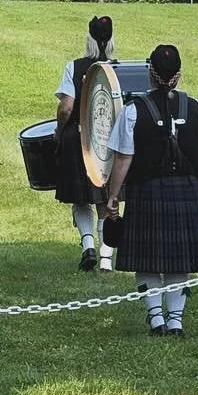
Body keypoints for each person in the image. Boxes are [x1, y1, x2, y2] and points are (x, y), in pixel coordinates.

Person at [103, 44, 198, 337]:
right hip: (188, 190)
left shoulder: (133, 110)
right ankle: (176, 321)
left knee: (146, 258)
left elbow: (123, 158)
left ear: (150, 73)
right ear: (178, 74)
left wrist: (113, 195)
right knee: (179, 258)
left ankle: (156, 319)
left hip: (146, 191)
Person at [55, 16, 117, 272]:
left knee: (80, 199)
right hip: (109, 142)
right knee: (106, 201)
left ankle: (88, 246)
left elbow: (66, 107)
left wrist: (60, 130)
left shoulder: (74, 66)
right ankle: (105, 258)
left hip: (78, 140)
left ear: (88, 39)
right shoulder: (117, 69)